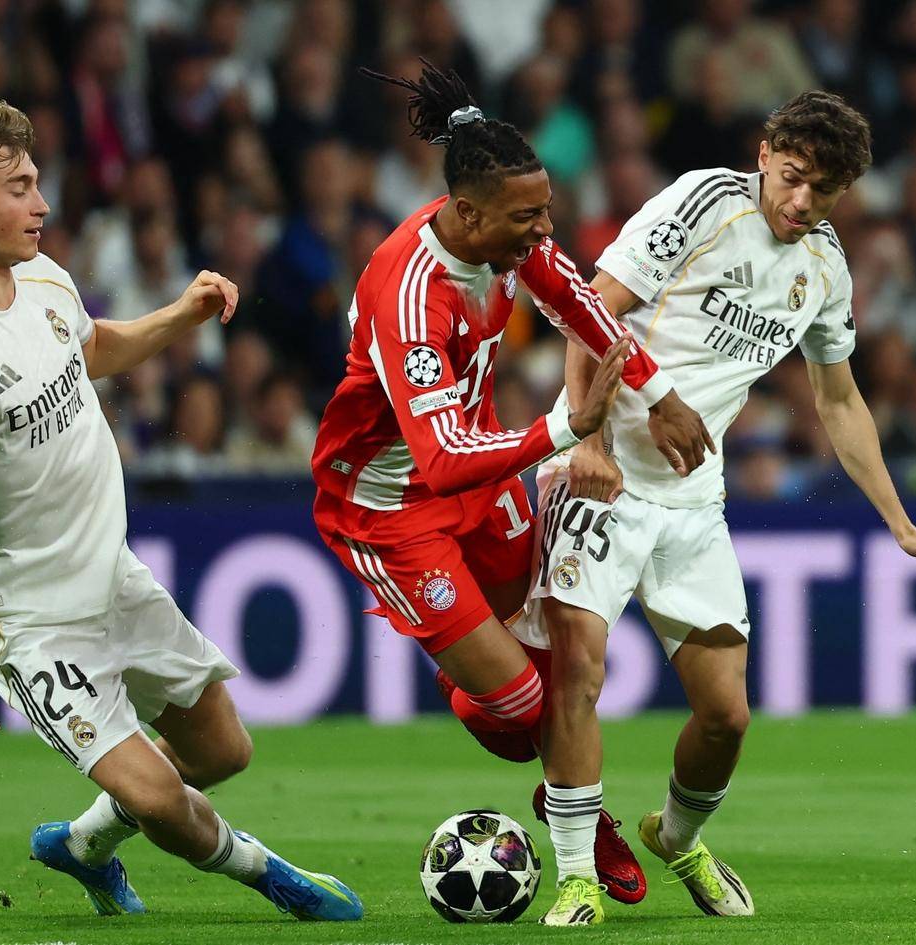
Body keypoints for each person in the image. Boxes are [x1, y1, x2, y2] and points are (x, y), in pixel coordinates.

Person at [0, 100, 362, 923]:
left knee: (223, 750)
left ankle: (82, 844)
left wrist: (177, 316)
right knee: (159, 797)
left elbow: (89, 348)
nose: (42, 203)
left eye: (37, 181)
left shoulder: (44, 274)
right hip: (27, 617)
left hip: (110, 574)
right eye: (18, 187)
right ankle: (272, 874)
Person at [511, 90, 916, 924]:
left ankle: (676, 836)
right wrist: (589, 441)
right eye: (792, 176)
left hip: (692, 501)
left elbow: (839, 401)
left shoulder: (825, 268)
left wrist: (900, 523)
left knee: (726, 715)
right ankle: (576, 874)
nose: (802, 200)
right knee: (578, 672)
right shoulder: (702, 203)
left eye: (823, 189)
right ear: (764, 154)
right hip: (600, 479)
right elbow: (589, 310)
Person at [309, 62, 713, 925]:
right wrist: (568, 427)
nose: (545, 228)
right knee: (519, 707)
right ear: (466, 213)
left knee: (559, 664)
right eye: (529, 216)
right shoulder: (411, 295)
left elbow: (580, 304)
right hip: (391, 509)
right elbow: (439, 457)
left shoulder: (509, 242)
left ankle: (569, 801)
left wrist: (659, 393)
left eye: (546, 209)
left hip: (481, 472)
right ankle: (571, 798)